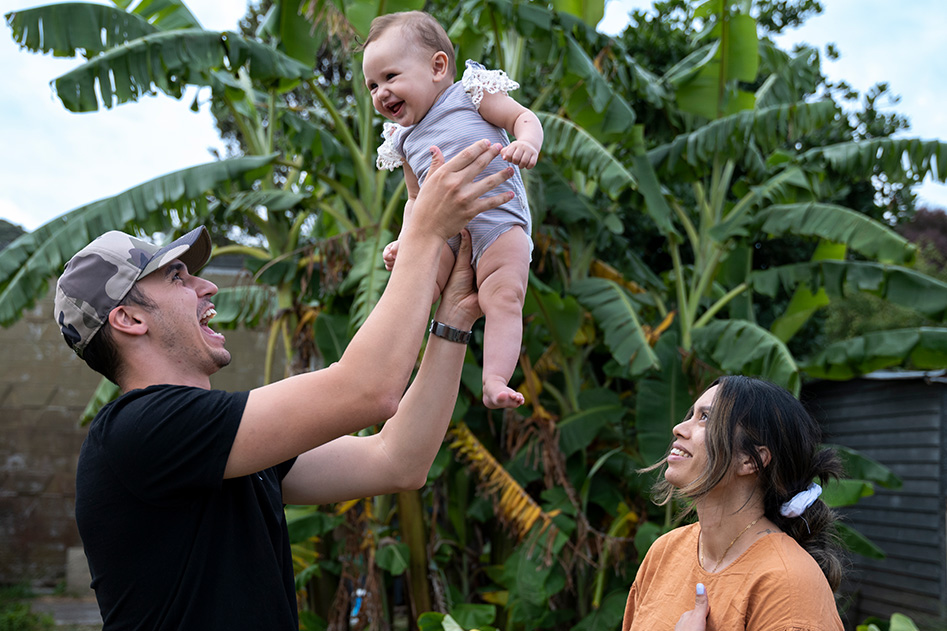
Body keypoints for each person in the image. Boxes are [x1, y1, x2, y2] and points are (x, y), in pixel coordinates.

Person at [54, 140, 513, 630]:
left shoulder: (217, 448)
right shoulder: (140, 430)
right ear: (127, 318)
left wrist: (455, 318)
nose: (207, 286)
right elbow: (369, 389)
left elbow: (398, 460)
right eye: (177, 277)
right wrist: (423, 231)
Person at [361, 10, 544, 409]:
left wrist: (527, 142)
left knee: (504, 297)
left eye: (390, 77)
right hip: (447, 235)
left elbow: (521, 116)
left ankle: (495, 378)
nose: (380, 93)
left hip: (500, 226)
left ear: (438, 67)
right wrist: (406, 242)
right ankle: (386, 368)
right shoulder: (402, 139)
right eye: (372, 85)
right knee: (419, 285)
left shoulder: (470, 93)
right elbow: (415, 201)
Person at [622, 376, 846, 631]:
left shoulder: (790, 584)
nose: (679, 428)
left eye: (705, 418)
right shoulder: (664, 552)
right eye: (691, 415)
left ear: (751, 460)